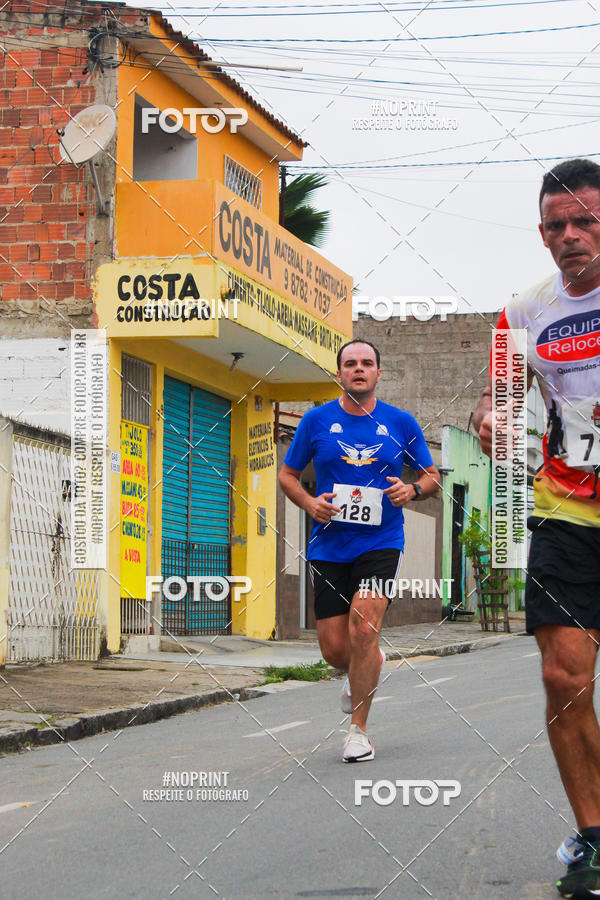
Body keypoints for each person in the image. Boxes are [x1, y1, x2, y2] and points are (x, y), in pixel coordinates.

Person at [473, 158, 600, 897]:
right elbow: (495, 394)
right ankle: (593, 837)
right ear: (542, 234)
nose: (572, 236)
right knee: (563, 675)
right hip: (567, 506)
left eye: (586, 220)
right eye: (557, 226)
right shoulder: (520, 313)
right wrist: (490, 418)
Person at [278, 339, 439, 762]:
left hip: (381, 540)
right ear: (340, 374)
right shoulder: (315, 420)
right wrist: (310, 503)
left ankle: (359, 732)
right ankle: (367, 663)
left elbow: (431, 475)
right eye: (350, 364)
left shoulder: (401, 423)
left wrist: (414, 488)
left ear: (378, 374)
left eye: (367, 363)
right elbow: (288, 475)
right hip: (330, 544)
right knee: (334, 649)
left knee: (364, 628)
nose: (359, 369)